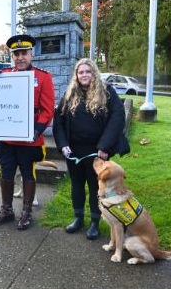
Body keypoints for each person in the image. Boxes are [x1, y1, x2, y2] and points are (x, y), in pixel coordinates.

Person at [53, 58, 127, 240]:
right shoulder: (70, 94)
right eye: (81, 72)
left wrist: (104, 146)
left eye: (88, 71)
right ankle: (78, 218)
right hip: (74, 151)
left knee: (96, 187)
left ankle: (95, 221)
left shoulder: (107, 92)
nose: (84, 75)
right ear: (76, 75)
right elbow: (59, 121)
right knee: (77, 185)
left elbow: (117, 118)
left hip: (97, 152)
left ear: (94, 73)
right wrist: (63, 144)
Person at [0, 34, 55, 231]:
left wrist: (37, 130)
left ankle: (26, 212)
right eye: (16, 54)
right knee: (6, 173)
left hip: (29, 138)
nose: (20, 57)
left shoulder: (43, 77)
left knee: (27, 173)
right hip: (7, 138)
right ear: (12, 56)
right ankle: (7, 210)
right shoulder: (4, 75)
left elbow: (48, 109)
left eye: (24, 53)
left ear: (31, 54)